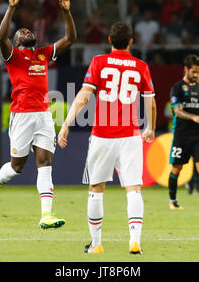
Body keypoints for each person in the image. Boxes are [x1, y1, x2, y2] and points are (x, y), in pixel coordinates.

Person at [0, 0, 77, 230]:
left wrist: (66, 13)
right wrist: (11, 8)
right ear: (16, 42)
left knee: (45, 162)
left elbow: (70, 39)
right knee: (17, 167)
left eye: (27, 29)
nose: (26, 30)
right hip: (21, 115)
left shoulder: (43, 54)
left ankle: (46, 215)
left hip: (43, 115)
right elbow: (0, 38)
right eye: (21, 31)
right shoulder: (12, 56)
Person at [57, 21, 157, 255]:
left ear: (109, 41)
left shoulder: (99, 62)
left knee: (96, 187)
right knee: (133, 188)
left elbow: (83, 96)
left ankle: (96, 244)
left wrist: (66, 124)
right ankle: (135, 242)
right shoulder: (140, 66)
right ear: (131, 42)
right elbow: (150, 100)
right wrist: (150, 127)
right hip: (131, 135)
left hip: (102, 135)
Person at [168, 55, 199, 210]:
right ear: (186, 69)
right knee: (177, 168)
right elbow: (177, 111)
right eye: (194, 72)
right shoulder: (177, 88)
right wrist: (193, 117)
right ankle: (173, 201)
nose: (196, 75)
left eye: (198, 72)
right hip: (182, 134)